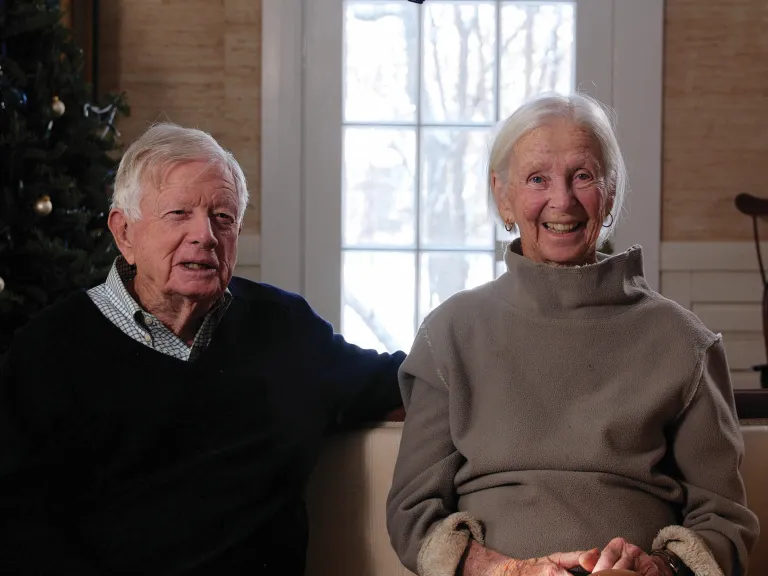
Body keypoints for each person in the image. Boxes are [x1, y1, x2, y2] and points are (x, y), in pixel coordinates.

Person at [0, 123, 405, 575]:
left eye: (223, 218)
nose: (205, 235)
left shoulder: (284, 329)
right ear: (125, 233)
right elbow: (22, 530)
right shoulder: (49, 351)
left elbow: (399, 381)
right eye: (178, 214)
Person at [386, 93, 759, 576]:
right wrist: (504, 571)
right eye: (537, 179)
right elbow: (412, 512)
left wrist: (657, 570)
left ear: (611, 191)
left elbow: (725, 519)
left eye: (582, 176)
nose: (561, 200)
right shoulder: (450, 332)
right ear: (503, 196)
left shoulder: (683, 340)